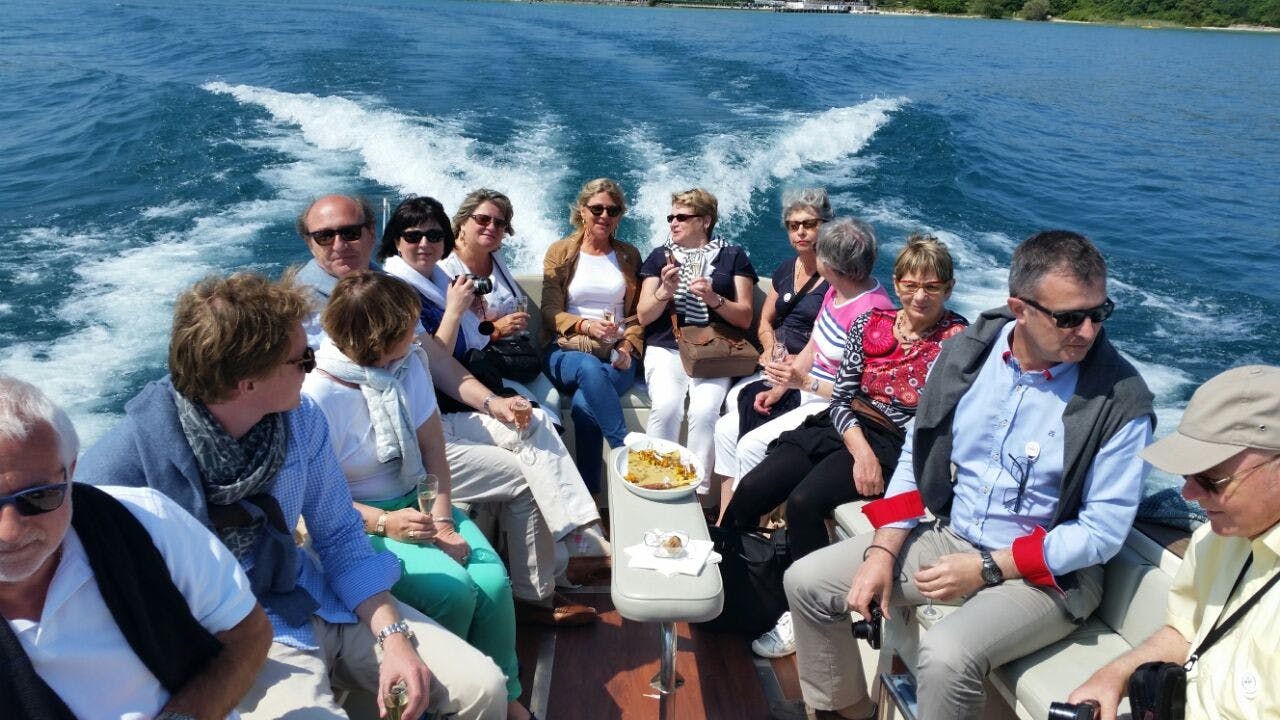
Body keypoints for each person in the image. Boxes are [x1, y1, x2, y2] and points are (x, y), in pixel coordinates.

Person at [76, 273, 508, 720]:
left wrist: (393, 638)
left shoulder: (300, 420)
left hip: (318, 595)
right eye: (302, 359)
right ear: (247, 382)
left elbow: (340, 537)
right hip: (237, 640)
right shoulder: (121, 471)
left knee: (481, 688)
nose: (315, 362)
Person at [775, 230, 1154, 720]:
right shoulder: (967, 355)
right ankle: (847, 712)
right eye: (1068, 318)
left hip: (1049, 577)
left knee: (947, 655)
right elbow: (919, 454)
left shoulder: (1121, 401)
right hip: (953, 535)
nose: (1087, 331)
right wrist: (882, 550)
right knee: (807, 582)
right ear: (1019, 308)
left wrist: (988, 568)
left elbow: (1100, 534)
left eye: (1098, 313)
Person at [303, 194, 601, 622]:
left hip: (428, 423)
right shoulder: (308, 308)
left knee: (532, 423)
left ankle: (575, 537)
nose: (339, 244)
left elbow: (435, 362)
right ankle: (538, 591)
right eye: (325, 235)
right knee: (525, 473)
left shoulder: (384, 289)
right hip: (379, 463)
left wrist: (495, 403)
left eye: (350, 233)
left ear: (370, 235)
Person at [302, 272, 536, 719]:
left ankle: (504, 698)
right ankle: (431, 705)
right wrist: (388, 522)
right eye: (408, 327)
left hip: (419, 500)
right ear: (377, 338)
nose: (417, 335)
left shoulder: (408, 365)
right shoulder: (318, 395)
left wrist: (444, 522)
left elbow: (434, 454)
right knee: (452, 593)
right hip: (361, 521)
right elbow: (318, 504)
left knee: (491, 583)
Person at [725, 235, 967, 659]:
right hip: (843, 426)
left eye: (932, 287)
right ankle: (726, 579)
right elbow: (841, 397)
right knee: (752, 489)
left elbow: (932, 423)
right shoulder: (870, 324)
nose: (920, 296)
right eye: (911, 285)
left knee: (803, 503)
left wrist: (871, 455)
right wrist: (860, 450)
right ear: (897, 284)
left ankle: (805, 613)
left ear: (948, 288)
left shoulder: (958, 342)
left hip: (896, 444)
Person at [0, 374, 272, 720]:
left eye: (39, 496)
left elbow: (248, 632)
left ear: (71, 473)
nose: (9, 531)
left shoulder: (147, 523)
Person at [1068, 364, 1280, 720]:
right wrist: (1113, 676)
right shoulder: (1213, 540)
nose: (1188, 493)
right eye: (1186, 475)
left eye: (1212, 479)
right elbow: (1185, 631)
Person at [712, 216, 894, 515]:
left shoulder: (874, 314)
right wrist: (781, 387)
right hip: (804, 386)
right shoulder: (836, 290)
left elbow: (861, 393)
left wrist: (803, 382)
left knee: (751, 446)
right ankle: (726, 519)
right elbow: (814, 345)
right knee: (725, 430)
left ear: (834, 265)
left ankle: (747, 528)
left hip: (832, 402)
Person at [635, 188, 758, 494]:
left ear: (704, 220)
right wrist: (664, 291)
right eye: (671, 217)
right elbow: (644, 316)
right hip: (667, 346)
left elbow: (744, 317)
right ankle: (653, 482)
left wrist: (713, 298)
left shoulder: (733, 256)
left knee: (704, 412)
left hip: (716, 349)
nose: (673, 223)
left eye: (681, 217)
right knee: (666, 406)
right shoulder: (659, 257)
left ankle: (694, 491)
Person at [713, 188, 832, 502]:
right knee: (729, 417)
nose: (801, 231)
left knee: (746, 430)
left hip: (809, 373)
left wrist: (794, 366)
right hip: (776, 365)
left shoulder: (835, 280)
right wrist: (768, 349)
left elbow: (828, 338)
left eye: (809, 224)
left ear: (826, 226)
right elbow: (765, 322)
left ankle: (751, 513)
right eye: (794, 226)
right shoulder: (785, 269)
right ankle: (727, 512)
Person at [542, 178, 644, 492]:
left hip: (616, 353)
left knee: (586, 405)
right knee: (587, 367)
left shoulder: (628, 255)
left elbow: (637, 315)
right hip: (567, 350)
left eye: (612, 210)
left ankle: (590, 497)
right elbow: (549, 311)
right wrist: (586, 326)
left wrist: (628, 345)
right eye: (596, 208)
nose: (604, 216)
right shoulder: (561, 252)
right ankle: (625, 450)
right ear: (582, 211)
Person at [439, 188, 561, 420]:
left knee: (553, 400)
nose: (492, 227)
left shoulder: (495, 258)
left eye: (499, 223)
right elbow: (448, 334)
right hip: (473, 367)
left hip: (510, 355)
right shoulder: (446, 268)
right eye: (483, 219)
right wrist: (496, 329)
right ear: (463, 222)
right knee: (537, 414)